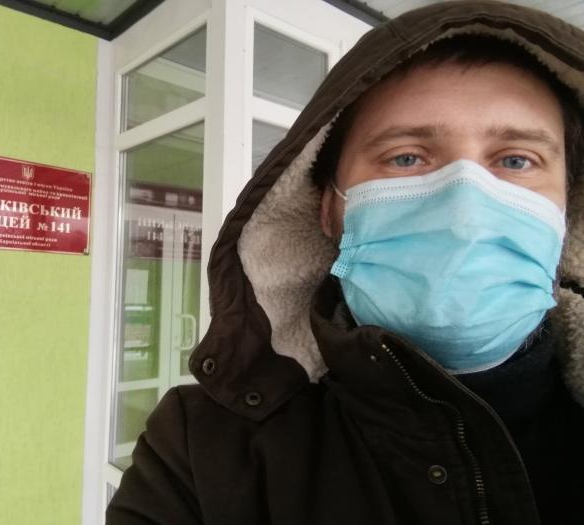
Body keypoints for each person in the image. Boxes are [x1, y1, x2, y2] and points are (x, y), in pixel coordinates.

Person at [108, 1, 584, 523]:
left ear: (569, 212)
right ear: (330, 210)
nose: (465, 212)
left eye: (516, 160)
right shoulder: (200, 447)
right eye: (406, 157)